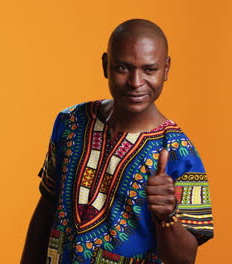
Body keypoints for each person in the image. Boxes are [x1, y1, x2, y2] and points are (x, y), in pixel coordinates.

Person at [21, 19, 213, 264]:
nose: (135, 82)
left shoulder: (180, 153)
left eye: (149, 70)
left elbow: (184, 259)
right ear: (105, 65)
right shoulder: (71, 122)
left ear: (166, 69)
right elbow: (47, 207)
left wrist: (167, 216)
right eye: (123, 68)